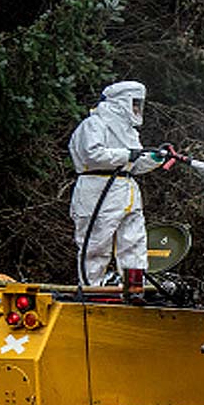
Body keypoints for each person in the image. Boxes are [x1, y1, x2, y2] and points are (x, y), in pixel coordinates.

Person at [67, 81, 165, 300]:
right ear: (122, 102)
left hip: (125, 189)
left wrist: (156, 158)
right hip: (98, 188)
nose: (138, 110)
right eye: (135, 104)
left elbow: (135, 164)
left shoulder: (129, 131)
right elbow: (93, 155)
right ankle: (93, 289)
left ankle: (134, 288)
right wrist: (125, 155)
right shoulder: (94, 125)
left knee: (134, 241)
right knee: (96, 243)